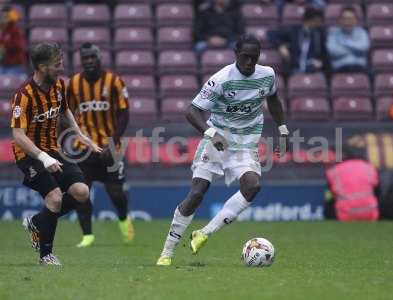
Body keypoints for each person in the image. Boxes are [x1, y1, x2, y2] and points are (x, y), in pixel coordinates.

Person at [156, 35, 289, 266]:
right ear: (236, 54)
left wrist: (283, 129)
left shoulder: (267, 75)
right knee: (197, 193)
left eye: (254, 58)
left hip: (246, 142)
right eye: (245, 57)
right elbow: (192, 111)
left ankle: (204, 233)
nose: (249, 62)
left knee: (252, 186)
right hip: (217, 139)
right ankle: (167, 252)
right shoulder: (221, 79)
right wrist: (210, 133)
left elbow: (274, 99)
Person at [11, 42, 101, 265]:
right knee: (54, 197)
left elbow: (65, 110)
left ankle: (37, 222)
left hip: (53, 149)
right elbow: (18, 135)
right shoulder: (24, 95)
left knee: (82, 192)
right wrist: (43, 157)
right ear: (41, 67)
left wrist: (80, 134)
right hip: (28, 154)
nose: (61, 68)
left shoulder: (59, 85)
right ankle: (46, 256)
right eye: (56, 64)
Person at [67, 42, 133, 248]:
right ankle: (87, 235)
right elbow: (65, 114)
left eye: (91, 57)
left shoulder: (114, 81)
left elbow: (124, 113)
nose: (88, 62)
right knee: (81, 191)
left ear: (99, 58)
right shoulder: (73, 84)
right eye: (84, 58)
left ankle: (123, 220)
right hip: (83, 148)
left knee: (115, 192)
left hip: (109, 147)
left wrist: (113, 141)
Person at [324, 137, 379, 222]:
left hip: (345, 215)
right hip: (370, 214)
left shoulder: (334, 171)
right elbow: (377, 191)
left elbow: (329, 197)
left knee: (329, 197)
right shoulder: (369, 167)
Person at [268, 6, 327, 74]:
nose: (319, 24)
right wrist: (280, 46)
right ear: (309, 20)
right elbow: (271, 34)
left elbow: (324, 56)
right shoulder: (294, 31)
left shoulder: (319, 35)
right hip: (294, 69)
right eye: (316, 21)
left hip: (312, 69)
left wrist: (321, 62)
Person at [326, 6, 370, 73]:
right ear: (340, 20)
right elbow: (332, 51)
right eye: (344, 19)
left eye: (350, 19)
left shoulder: (362, 32)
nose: (347, 22)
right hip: (340, 69)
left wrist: (344, 43)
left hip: (360, 69)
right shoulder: (333, 34)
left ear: (355, 20)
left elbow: (363, 48)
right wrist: (354, 50)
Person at [0, 5, 26, 75]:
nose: (2, 19)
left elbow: (20, 46)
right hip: (3, 65)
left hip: (15, 66)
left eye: (5, 17)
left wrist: (4, 48)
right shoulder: (2, 31)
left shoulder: (16, 30)